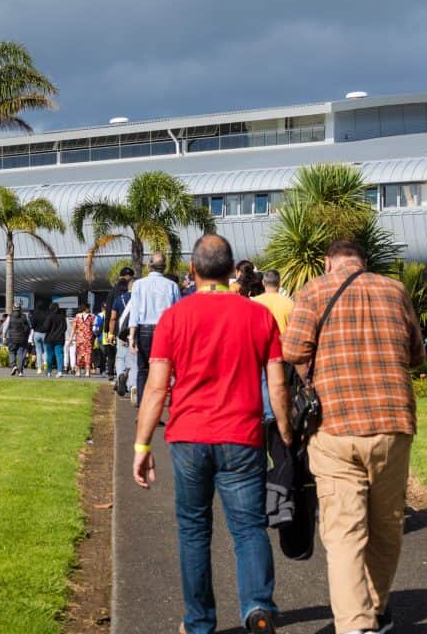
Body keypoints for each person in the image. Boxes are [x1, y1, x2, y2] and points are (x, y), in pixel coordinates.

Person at [133, 234, 292, 634]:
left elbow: (155, 387)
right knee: (249, 527)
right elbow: (278, 386)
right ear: (232, 270)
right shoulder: (259, 316)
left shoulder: (174, 317)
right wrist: (287, 437)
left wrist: (142, 443)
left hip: (189, 437)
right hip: (242, 436)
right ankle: (257, 607)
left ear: (192, 270)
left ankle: (199, 622)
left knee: (193, 529)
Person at [283, 240, 424, 634]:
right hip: (392, 421)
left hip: (335, 425)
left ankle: (354, 625)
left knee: (345, 533)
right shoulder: (395, 290)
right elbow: (416, 355)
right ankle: (377, 609)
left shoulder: (314, 290)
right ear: (365, 261)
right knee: (386, 525)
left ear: (328, 262)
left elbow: (293, 350)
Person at [128, 252, 181, 406]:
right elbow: (176, 313)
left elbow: (135, 312)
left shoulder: (139, 284)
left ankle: (143, 406)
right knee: (163, 369)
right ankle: (157, 406)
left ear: (149, 266)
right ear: (164, 267)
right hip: (165, 330)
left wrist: (132, 337)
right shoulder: (171, 285)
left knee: (143, 369)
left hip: (144, 329)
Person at [252, 269, 293, 423]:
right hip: (283, 352)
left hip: (260, 351)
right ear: (279, 283)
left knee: (263, 383)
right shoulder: (289, 303)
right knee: (283, 385)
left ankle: (268, 415)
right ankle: (282, 414)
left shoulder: (254, 302)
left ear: (263, 283)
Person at [103, 267, 135, 380]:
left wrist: (108, 331)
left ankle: (114, 373)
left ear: (120, 276)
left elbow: (109, 314)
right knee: (132, 354)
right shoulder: (136, 292)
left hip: (118, 327)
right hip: (134, 327)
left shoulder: (113, 291)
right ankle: (130, 378)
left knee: (118, 354)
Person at [41, 303, 67, 378]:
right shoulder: (62, 317)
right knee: (59, 355)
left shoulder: (49, 316)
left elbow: (45, 327)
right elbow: (65, 328)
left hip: (49, 338)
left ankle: (49, 372)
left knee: (49, 355)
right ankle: (60, 371)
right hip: (59, 339)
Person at [5, 303, 32, 377]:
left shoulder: (9, 317)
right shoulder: (24, 317)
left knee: (11, 352)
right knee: (20, 354)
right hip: (22, 339)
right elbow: (29, 327)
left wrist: (4, 336)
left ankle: (13, 366)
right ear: (20, 309)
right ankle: (20, 371)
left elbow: (5, 328)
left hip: (12, 339)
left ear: (13, 308)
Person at [71, 304, 95, 377]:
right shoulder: (91, 317)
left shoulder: (77, 317)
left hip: (79, 339)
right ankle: (87, 372)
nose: (89, 309)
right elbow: (94, 327)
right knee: (88, 355)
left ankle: (78, 371)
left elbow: (73, 328)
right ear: (85, 308)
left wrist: (70, 338)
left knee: (79, 355)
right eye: (88, 308)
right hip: (88, 339)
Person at [32, 307, 48, 375]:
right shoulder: (47, 314)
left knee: (38, 352)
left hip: (37, 333)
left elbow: (32, 325)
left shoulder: (35, 314)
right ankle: (45, 362)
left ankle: (39, 369)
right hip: (45, 334)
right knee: (46, 350)